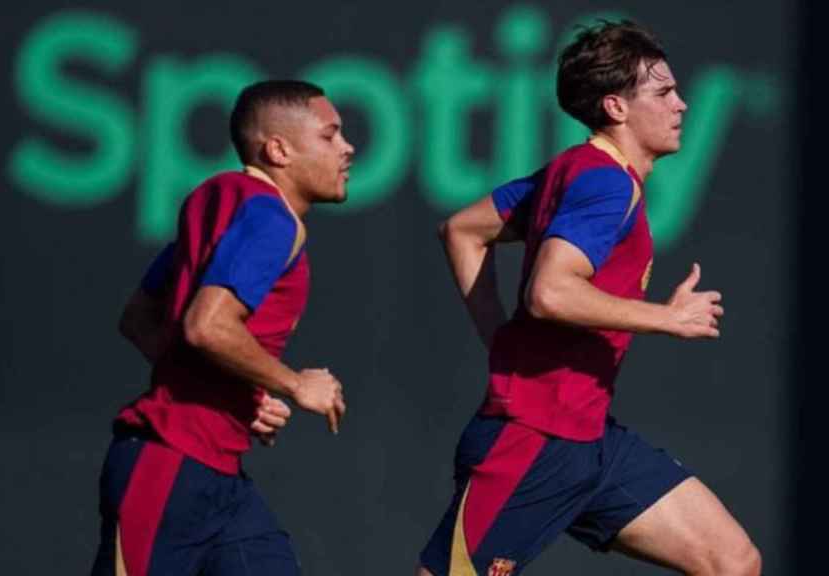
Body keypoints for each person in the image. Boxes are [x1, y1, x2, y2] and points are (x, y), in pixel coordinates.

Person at [418, 21, 761, 576]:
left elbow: (461, 229)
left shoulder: (577, 169)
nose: (682, 103)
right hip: (530, 441)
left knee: (732, 561)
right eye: (663, 92)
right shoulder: (604, 181)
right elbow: (551, 292)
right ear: (616, 107)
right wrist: (666, 318)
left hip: (590, 438)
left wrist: (498, 339)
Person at [91, 80, 353, 576]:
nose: (347, 148)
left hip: (217, 478)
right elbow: (207, 326)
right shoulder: (272, 219)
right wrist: (295, 384)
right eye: (329, 135)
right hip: (168, 467)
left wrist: (241, 392)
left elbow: (140, 319)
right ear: (278, 149)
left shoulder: (220, 202)